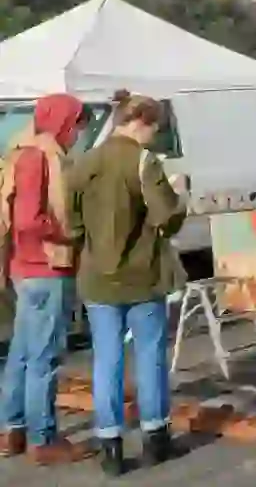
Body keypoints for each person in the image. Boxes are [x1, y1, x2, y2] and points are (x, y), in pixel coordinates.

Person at [69, 91, 187, 476]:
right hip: (142, 276)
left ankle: (111, 447)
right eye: (154, 128)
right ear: (141, 122)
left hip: (97, 277)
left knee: (106, 360)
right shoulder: (144, 161)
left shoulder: (86, 161)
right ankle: (155, 437)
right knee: (150, 356)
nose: (154, 136)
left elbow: (70, 221)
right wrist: (179, 192)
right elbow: (167, 218)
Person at [0, 94, 92, 464]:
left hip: (24, 267)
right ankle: (44, 439)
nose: (77, 135)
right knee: (44, 357)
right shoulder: (41, 158)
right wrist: (65, 232)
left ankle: (13, 430)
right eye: (76, 127)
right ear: (63, 123)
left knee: (22, 354)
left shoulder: (21, 151)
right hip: (45, 267)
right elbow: (28, 219)